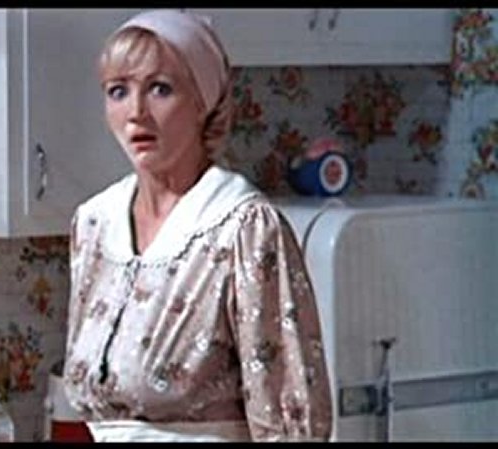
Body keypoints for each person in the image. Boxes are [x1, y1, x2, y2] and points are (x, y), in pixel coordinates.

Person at [61, 9, 333, 442]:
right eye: (118, 91)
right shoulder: (94, 224)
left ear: (204, 102)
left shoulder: (243, 228)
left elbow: (288, 414)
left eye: (160, 89)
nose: (136, 112)